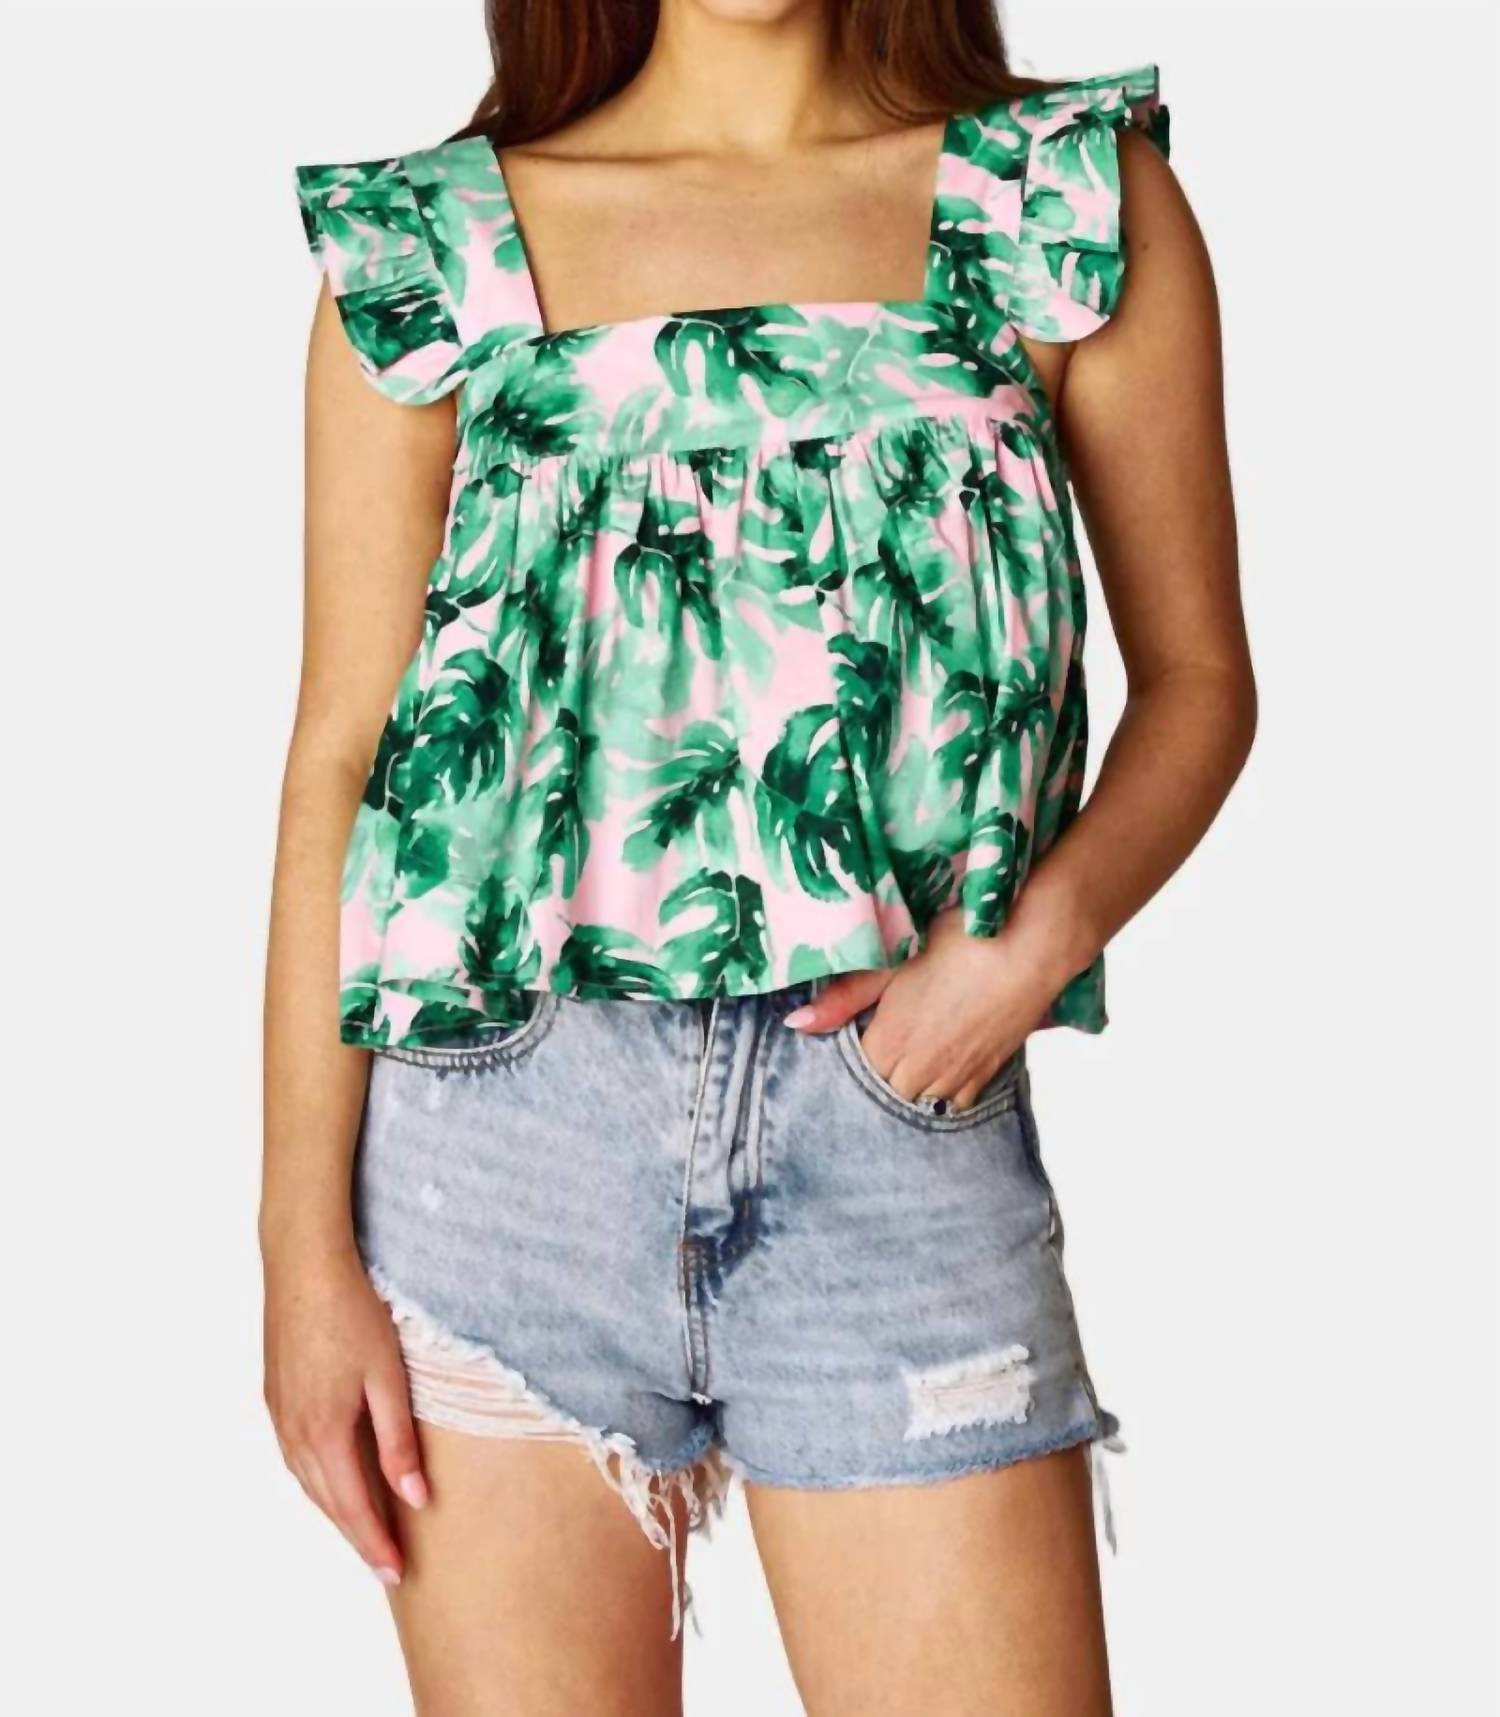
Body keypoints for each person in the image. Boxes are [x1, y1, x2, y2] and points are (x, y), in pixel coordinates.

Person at [262, 1, 1254, 1710]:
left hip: (898, 1122)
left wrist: (1020, 955)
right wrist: (298, 1249)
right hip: (497, 1158)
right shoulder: (435, 250)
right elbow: (342, 756)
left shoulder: (1060, 202)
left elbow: (1203, 684)